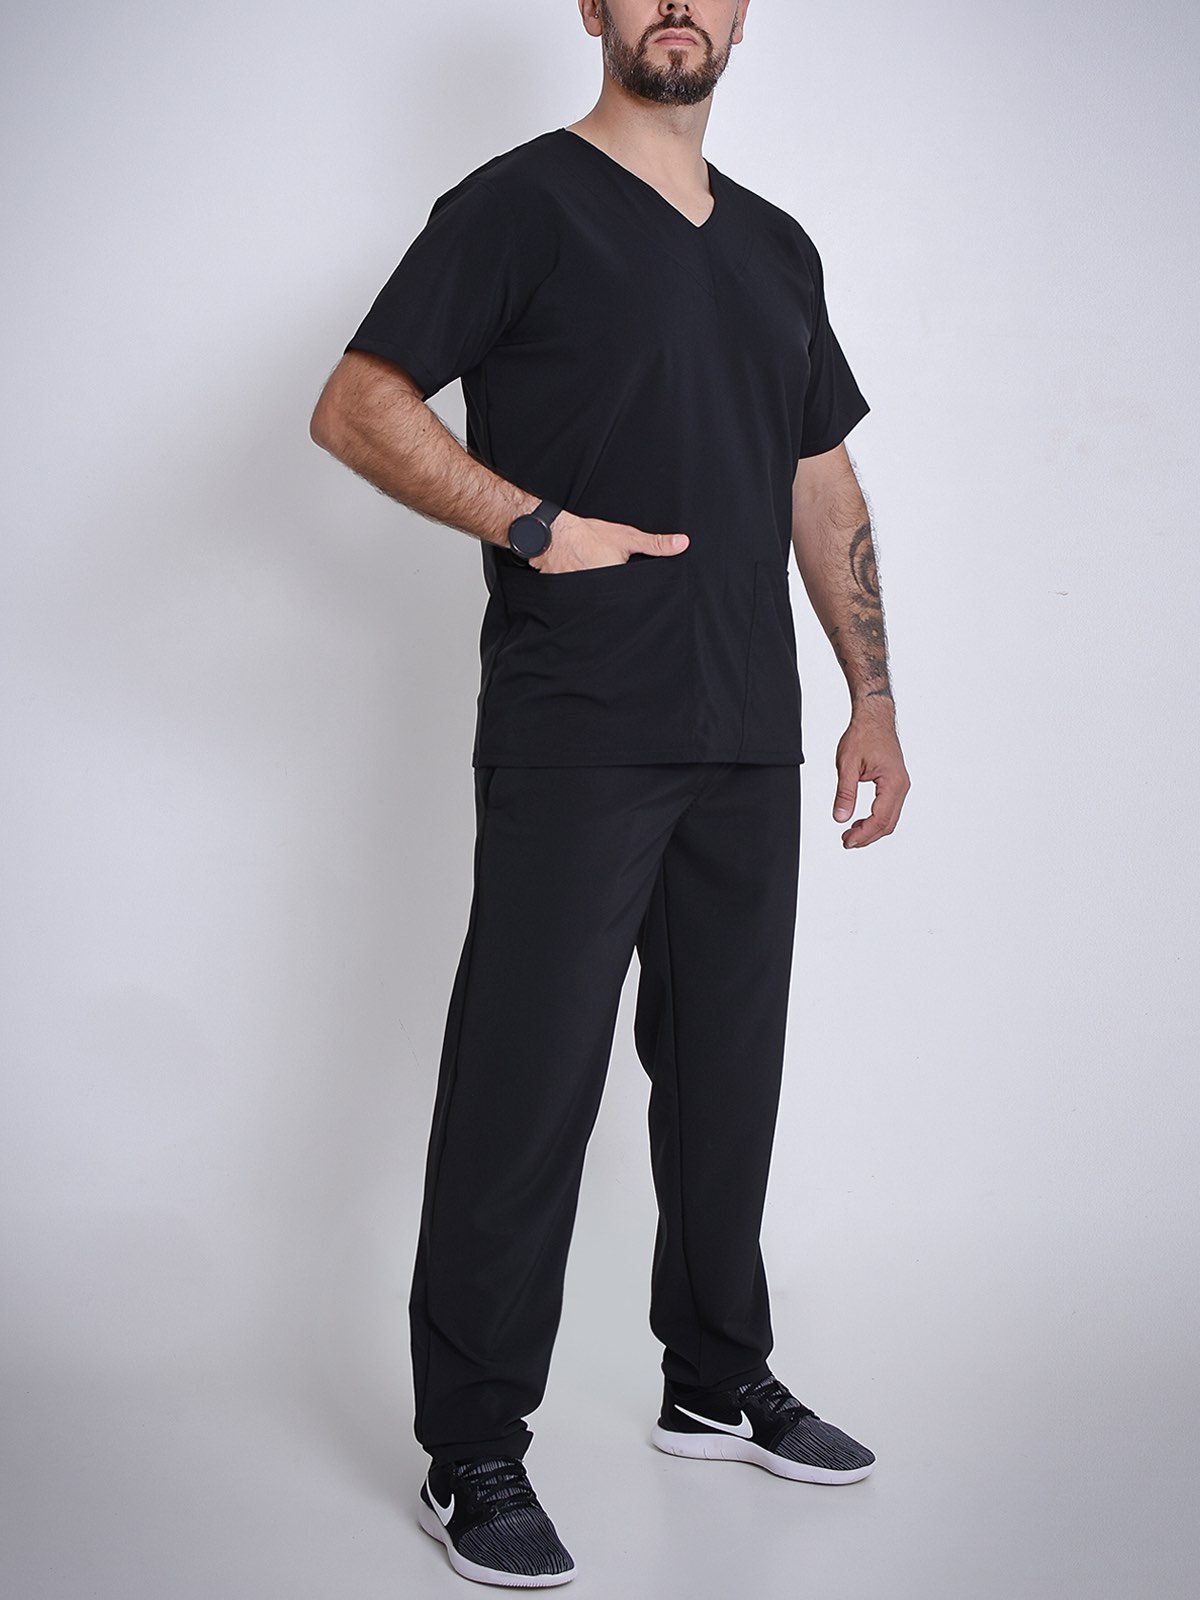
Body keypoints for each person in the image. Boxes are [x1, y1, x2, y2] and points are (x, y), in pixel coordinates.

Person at [310, 0, 910, 1586]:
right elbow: (358, 402)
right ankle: (471, 1449)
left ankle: (715, 1380)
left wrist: (871, 697)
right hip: (579, 721)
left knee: (725, 1082)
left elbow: (821, 475)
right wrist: (529, 524)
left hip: (749, 732)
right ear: (594, 6)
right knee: (526, 1091)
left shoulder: (777, 248)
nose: (679, 7)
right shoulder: (520, 205)